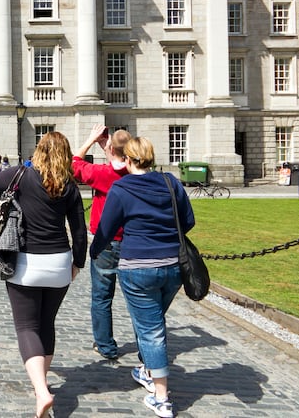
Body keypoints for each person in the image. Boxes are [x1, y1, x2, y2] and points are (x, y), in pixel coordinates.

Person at [0, 132, 87, 418]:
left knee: (26, 327)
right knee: (46, 322)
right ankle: (42, 383)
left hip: (25, 262)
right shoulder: (70, 186)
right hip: (59, 263)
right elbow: (78, 231)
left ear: (38, 151)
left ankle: (41, 391)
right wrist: (78, 263)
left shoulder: (20, 175)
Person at [89, 137, 195, 418]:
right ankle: (148, 368)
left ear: (126, 160)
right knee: (155, 322)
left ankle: (161, 397)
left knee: (151, 330)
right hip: (173, 266)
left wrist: (93, 251)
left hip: (138, 266)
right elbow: (188, 221)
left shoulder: (121, 188)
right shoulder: (171, 182)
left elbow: (106, 229)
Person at [72, 123, 132, 361]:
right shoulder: (137, 174)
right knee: (137, 300)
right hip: (133, 244)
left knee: (102, 296)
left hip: (106, 243)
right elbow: (120, 165)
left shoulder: (102, 174)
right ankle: (146, 345)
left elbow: (74, 163)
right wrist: (109, 149)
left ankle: (105, 345)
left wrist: (90, 139)